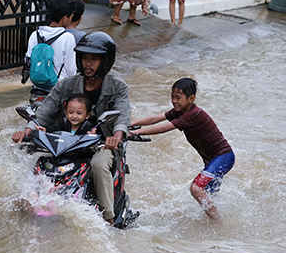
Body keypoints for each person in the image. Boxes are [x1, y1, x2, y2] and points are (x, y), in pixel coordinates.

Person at [13, 32, 131, 225]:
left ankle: (108, 216)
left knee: (99, 166)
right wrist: (27, 131)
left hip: (102, 144)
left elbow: (122, 116)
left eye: (94, 59)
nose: (88, 63)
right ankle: (30, 208)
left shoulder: (118, 87)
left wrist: (116, 137)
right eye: (85, 58)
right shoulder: (66, 84)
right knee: (35, 159)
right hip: (67, 142)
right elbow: (44, 112)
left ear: (106, 61)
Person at [130, 77, 234, 222]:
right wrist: (130, 124)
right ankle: (214, 228)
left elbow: (163, 128)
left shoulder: (193, 114)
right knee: (208, 197)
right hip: (213, 159)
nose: (174, 101)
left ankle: (219, 224)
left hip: (223, 157)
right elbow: (157, 118)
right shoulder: (180, 111)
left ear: (191, 98)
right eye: (172, 97)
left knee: (196, 189)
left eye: (178, 97)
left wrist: (134, 133)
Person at [22, 0, 78, 106]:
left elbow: (28, 61)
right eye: (71, 17)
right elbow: (71, 70)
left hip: (37, 89)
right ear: (65, 17)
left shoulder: (35, 34)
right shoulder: (68, 37)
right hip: (59, 90)